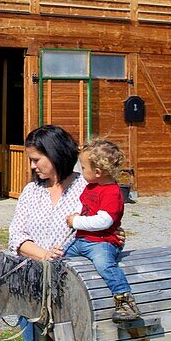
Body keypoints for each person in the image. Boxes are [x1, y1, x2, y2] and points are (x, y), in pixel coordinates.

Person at [7, 124, 86, 341]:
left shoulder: (86, 188)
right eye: (31, 160)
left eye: (37, 159)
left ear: (56, 155)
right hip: (33, 285)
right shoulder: (31, 192)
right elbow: (16, 236)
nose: (32, 165)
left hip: (72, 288)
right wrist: (43, 254)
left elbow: (101, 230)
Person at [64, 138, 141, 324]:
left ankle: (124, 300)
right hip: (82, 241)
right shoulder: (91, 186)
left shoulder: (112, 192)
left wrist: (77, 221)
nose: (80, 171)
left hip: (102, 242)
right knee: (62, 258)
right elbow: (83, 204)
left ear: (97, 172)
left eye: (83, 168)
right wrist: (76, 213)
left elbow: (104, 221)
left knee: (105, 265)